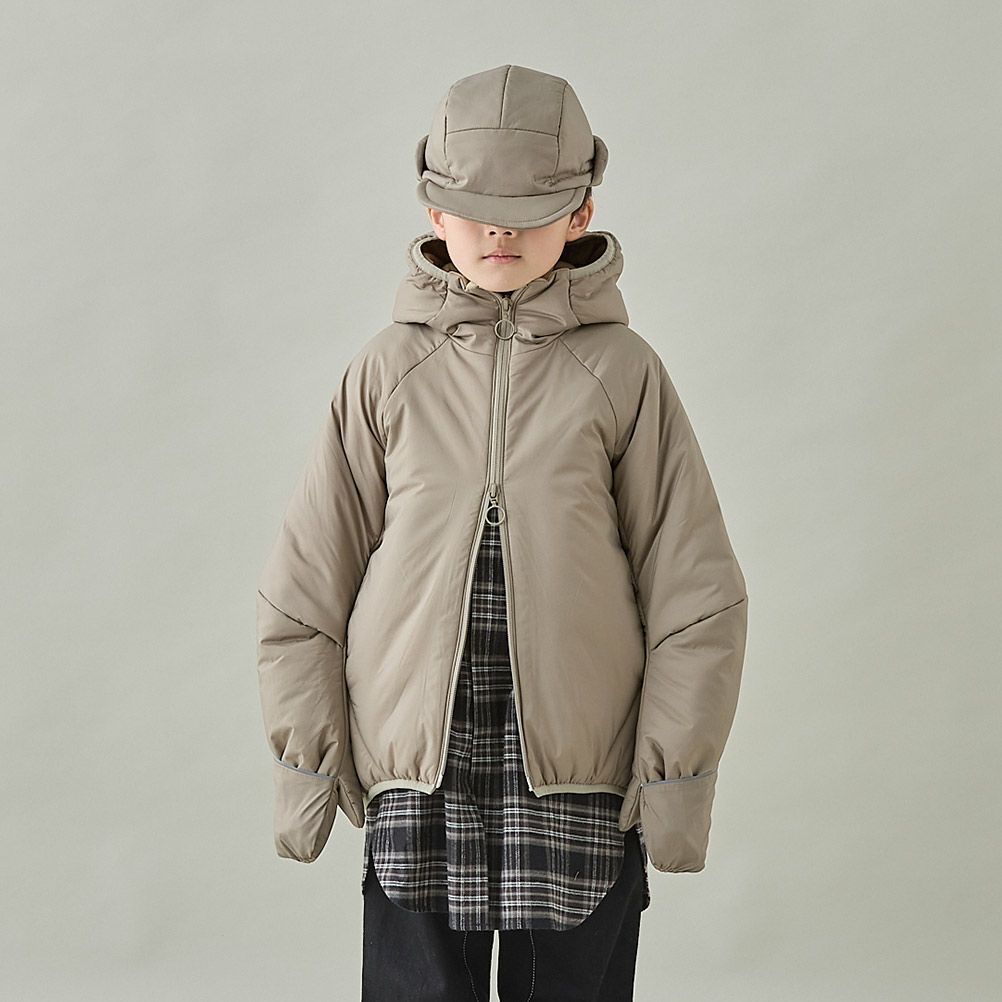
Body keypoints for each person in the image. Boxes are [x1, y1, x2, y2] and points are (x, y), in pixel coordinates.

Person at [256, 63, 749, 1001]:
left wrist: (676, 779)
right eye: (477, 209)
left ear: (581, 212)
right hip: (419, 783)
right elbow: (304, 591)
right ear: (435, 212)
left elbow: (697, 597)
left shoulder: (625, 375)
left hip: (580, 787)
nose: (500, 233)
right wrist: (307, 766)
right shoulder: (385, 375)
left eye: (531, 211)